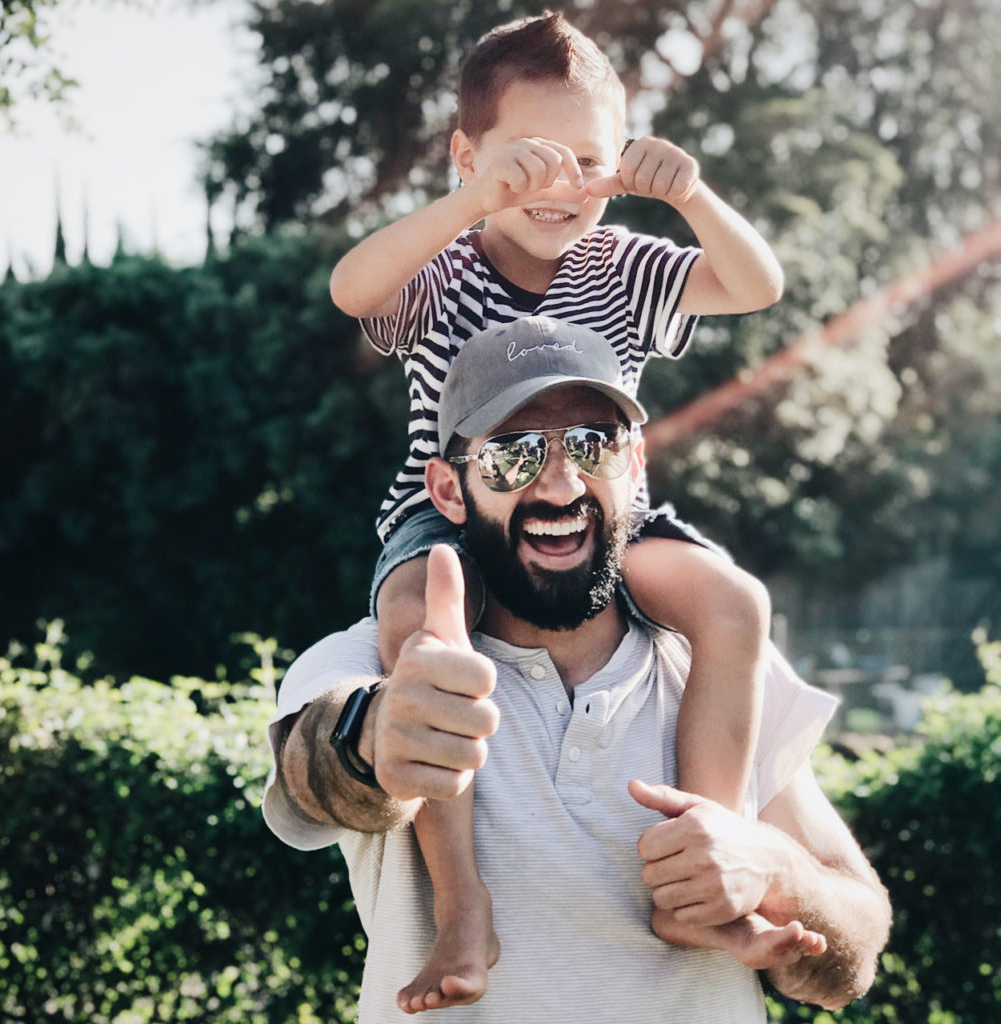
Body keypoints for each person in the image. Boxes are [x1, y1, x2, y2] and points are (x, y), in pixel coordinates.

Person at [329, 12, 786, 1010]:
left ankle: (699, 864)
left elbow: (757, 285)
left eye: (587, 159)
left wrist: (692, 193)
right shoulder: (443, 269)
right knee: (419, 629)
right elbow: (350, 285)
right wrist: (468, 205)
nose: (560, 185)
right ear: (468, 156)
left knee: (734, 602)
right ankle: (462, 907)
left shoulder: (621, 265)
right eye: (528, 161)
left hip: (603, 521)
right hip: (445, 517)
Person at [264, 318, 891, 1023]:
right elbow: (310, 771)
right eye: (513, 455)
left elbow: (856, 954)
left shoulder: (717, 666)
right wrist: (373, 737)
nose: (562, 486)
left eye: (594, 446)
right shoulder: (383, 661)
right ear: (447, 490)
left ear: (637, 465)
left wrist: (775, 870)